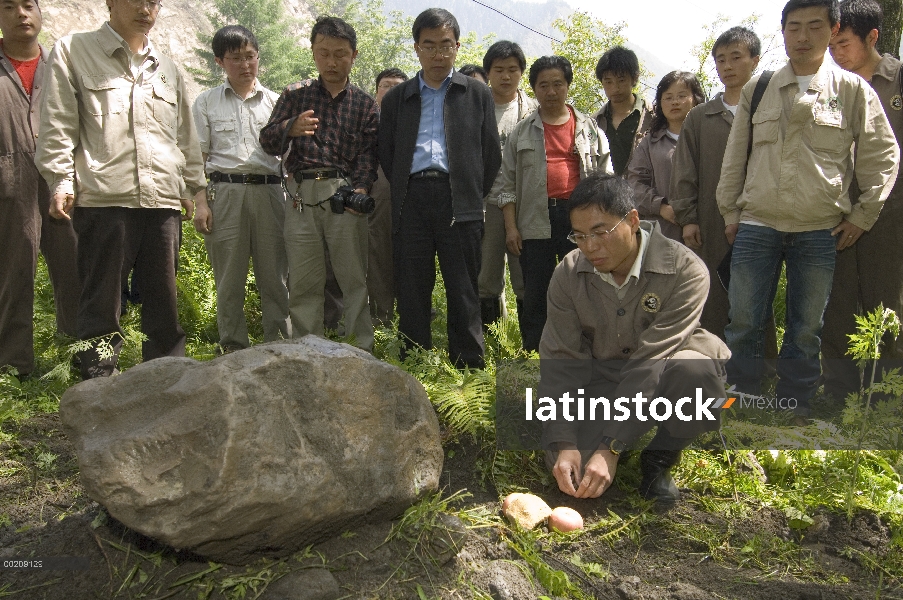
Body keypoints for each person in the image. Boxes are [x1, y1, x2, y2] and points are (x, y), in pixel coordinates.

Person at [716, 0, 898, 416]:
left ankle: (794, 402)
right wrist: (730, 213)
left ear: (832, 30)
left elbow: (882, 156)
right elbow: (734, 157)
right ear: (782, 32)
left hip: (820, 228)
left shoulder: (852, 91)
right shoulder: (759, 88)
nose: (802, 36)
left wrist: (862, 215)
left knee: (807, 326)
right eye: (793, 27)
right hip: (758, 222)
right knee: (743, 319)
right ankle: (739, 398)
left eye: (815, 26)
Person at [36, 0, 206, 379]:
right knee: (100, 303)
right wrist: (61, 179)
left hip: (161, 200)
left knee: (163, 303)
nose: (146, 9)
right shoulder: (74, 50)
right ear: (111, 2)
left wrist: (193, 187)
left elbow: (184, 135)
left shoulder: (166, 66)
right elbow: (58, 121)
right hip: (104, 198)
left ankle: (169, 382)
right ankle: (99, 386)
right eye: (136, 0)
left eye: (154, 2)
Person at [540, 173, 729, 503]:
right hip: (604, 378)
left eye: (600, 233)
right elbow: (561, 362)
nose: (590, 247)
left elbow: (650, 361)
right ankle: (613, 436)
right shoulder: (568, 274)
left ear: (632, 220)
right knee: (573, 469)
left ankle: (660, 458)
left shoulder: (686, 270)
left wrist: (611, 446)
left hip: (665, 370)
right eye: (580, 236)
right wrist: (565, 440)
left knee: (696, 376)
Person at [378, 8, 501, 369]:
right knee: (413, 286)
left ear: (457, 47)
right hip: (411, 199)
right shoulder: (398, 97)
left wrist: (470, 191)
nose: (438, 54)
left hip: (459, 199)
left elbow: (490, 154)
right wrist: (408, 184)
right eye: (429, 45)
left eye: (445, 45)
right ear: (416, 48)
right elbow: (387, 152)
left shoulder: (476, 93)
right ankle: (416, 361)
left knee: (463, 286)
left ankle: (468, 364)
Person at [259, 16, 378, 352]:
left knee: (353, 278)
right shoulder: (295, 95)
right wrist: (289, 128)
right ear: (313, 52)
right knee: (304, 280)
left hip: (344, 194)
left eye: (340, 53)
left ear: (354, 55)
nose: (331, 61)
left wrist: (362, 189)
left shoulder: (365, 104)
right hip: (300, 194)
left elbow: (369, 156)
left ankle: (359, 351)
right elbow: (266, 142)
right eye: (324, 52)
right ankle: (307, 351)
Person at [497, 55, 613, 352]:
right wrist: (511, 228)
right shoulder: (522, 131)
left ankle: (589, 349)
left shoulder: (589, 128)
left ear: (567, 85)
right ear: (534, 88)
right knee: (537, 290)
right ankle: (536, 353)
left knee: (586, 285)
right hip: (535, 219)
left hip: (580, 220)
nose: (551, 92)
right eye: (543, 85)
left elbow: (605, 178)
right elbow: (506, 184)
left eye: (557, 84)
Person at [822, 0, 903, 399]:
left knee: (885, 304)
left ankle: (884, 399)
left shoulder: (898, 79)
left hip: (890, 217)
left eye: (845, 45)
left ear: (872, 38)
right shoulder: (831, 88)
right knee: (836, 304)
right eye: (832, 45)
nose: (837, 54)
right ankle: (839, 395)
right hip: (837, 213)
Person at [192, 25, 289, 353]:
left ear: (258, 57)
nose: (246, 65)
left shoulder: (276, 102)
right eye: (236, 58)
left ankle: (280, 348)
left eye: (251, 57)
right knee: (229, 280)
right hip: (226, 194)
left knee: (276, 278)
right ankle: (233, 349)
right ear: (221, 61)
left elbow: (289, 159)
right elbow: (197, 159)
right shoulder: (206, 103)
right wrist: (200, 203)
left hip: (271, 193)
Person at [0, 0, 80, 378]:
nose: (21, 14)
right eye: (9, 6)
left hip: (62, 181)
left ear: (40, 12)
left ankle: (81, 357)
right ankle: (15, 365)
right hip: (9, 185)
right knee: (13, 275)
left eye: (28, 5)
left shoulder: (62, 66)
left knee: (75, 268)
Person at [670, 27, 761, 337]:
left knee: (757, 295)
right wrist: (688, 219)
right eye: (720, 60)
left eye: (736, 57)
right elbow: (684, 172)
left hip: (762, 220)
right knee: (713, 295)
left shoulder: (769, 110)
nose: (727, 66)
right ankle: (713, 367)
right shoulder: (699, 117)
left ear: (755, 61)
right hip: (710, 222)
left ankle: (761, 373)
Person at [478, 40, 536, 330]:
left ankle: (529, 342)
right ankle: (492, 338)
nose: (505, 76)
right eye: (498, 69)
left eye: (512, 70)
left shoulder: (533, 111)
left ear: (521, 73)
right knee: (486, 275)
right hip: (486, 203)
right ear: (488, 72)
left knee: (524, 273)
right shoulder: (475, 106)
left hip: (525, 205)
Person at [626, 71, 705, 242]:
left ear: (696, 99)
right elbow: (634, 182)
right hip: (663, 231)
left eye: (682, 96)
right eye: (668, 97)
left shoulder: (709, 137)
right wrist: (661, 207)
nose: (675, 102)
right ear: (660, 103)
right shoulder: (650, 142)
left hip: (707, 227)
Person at [368, 67, 408, 327]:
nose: (391, 89)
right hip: (377, 194)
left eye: (398, 85)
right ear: (376, 92)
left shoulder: (416, 120)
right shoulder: (368, 121)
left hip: (412, 197)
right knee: (378, 255)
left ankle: (414, 316)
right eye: (386, 85)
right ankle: (381, 318)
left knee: (411, 257)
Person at [594, 46, 653, 176]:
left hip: (643, 192)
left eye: (621, 80)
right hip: (607, 193)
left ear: (635, 78)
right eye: (608, 82)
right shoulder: (594, 122)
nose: (615, 88)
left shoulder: (651, 117)